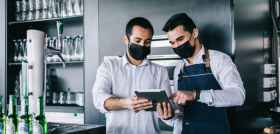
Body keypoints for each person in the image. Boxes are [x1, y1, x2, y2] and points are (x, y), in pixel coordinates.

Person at [157, 13, 245, 134]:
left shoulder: (220, 60)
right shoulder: (179, 69)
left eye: (180, 39)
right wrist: (168, 117)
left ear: (194, 33)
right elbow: (181, 113)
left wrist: (197, 95)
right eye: (172, 43)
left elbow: (238, 95)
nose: (176, 46)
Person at [92, 17, 176, 134]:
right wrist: (125, 103)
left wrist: (168, 115)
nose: (142, 45)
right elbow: (98, 98)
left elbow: (169, 110)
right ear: (126, 39)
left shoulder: (160, 71)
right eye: (137, 41)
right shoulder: (108, 67)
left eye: (147, 42)